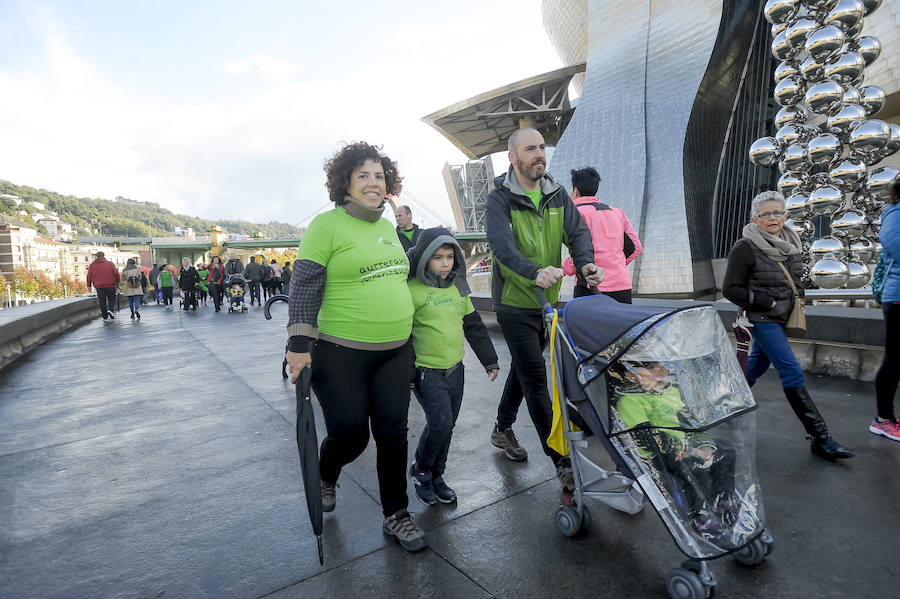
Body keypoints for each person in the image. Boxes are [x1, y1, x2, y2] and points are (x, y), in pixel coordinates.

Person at [283, 141, 425, 552]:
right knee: (349, 434)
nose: (373, 183)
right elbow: (305, 285)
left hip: (396, 349)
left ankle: (396, 514)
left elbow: (396, 278)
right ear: (345, 182)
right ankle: (327, 474)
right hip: (340, 350)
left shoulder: (387, 228)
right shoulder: (326, 227)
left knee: (393, 433)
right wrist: (298, 344)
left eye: (379, 176)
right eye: (363, 175)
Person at [484, 127, 603, 493]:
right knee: (537, 380)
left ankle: (503, 429)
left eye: (541, 148)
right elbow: (502, 247)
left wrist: (584, 263)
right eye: (530, 149)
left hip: (547, 303)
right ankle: (561, 460)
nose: (539, 154)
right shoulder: (499, 199)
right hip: (516, 305)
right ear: (513, 158)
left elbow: (578, 233)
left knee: (524, 369)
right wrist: (533, 272)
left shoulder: (556, 193)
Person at [723, 191, 852, 460]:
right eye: (765, 213)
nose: (772, 218)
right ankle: (820, 436)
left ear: (785, 215)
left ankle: (723, 410)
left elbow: (795, 279)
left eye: (777, 212)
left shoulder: (790, 243)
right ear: (755, 218)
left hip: (783, 316)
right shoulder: (745, 246)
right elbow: (730, 289)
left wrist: (797, 299)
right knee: (792, 372)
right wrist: (764, 302)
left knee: (752, 369)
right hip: (762, 318)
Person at [406, 228, 499, 506]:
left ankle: (437, 475)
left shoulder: (458, 287)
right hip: (426, 371)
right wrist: (408, 375)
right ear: (424, 259)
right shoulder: (412, 290)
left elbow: (473, 326)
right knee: (441, 422)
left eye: (449, 256)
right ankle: (420, 469)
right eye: (437, 257)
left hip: (455, 371)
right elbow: (404, 336)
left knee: (448, 425)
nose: (445, 262)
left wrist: (489, 360)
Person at [610, 360, 738, 542]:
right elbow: (649, 440)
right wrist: (692, 450)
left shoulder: (671, 392)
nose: (664, 371)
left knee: (726, 451)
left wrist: (704, 445)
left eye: (663, 365)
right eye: (653, 367)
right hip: (658, 455)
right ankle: (698, 516)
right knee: (691, 466)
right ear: (631, 374)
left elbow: (690, 422)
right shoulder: (629, 402)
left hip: (685, 444)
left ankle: (722, 501)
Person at [561, 167, 642, 302]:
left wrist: (562, 269)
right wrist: (615, 265)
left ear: (575, 191)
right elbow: (636, 247)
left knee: (585, 324)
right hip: (622, 288)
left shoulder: (575, 213)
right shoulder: (618, 213)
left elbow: (581, 253)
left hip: (589, 287)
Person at [871, 176, 900, 442]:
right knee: (894, 360)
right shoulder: (895, 212)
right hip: (898, 298)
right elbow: (895, 246)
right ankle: (882, 419)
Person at [86, 251, 120, 321]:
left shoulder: (92, 265)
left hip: (99, 286)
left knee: (102, 301)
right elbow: (116, 273)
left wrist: (89, 286)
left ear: (96, 257)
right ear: (104, 256)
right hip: (110, 285)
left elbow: (89, 276)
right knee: (112, 299)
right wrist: (117, 281)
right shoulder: (109, 263)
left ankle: (105, 317)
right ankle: (110, 310)